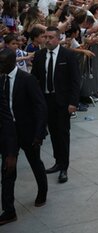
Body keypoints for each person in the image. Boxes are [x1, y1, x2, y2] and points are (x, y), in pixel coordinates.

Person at [31, 26, 81, 183]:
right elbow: (34, 79)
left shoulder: (68, 56)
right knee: (53, 133)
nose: (47, 40)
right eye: (45, 37)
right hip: (45, 101)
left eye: (51, 37)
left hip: (63, 102)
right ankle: (58, 162)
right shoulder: (39, 56)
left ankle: (64, 167)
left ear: (58, 38)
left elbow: (75, 80)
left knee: (63, 134)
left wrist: (73, 102)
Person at [2, 47, 48, 209]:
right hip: (9, 133)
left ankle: (42, 192)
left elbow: (40, 107)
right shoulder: (1, 79)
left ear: (11, 62)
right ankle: (8, 209)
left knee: (35, 163)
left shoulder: (27, 79)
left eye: (1, 63)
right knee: (8, 169)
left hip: (28, 132)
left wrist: (39, 133)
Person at [0, 48, 19, 225]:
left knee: (7, 173)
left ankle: (9, 210)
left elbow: (7, 119)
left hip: (5, 138)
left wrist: (12, 152)